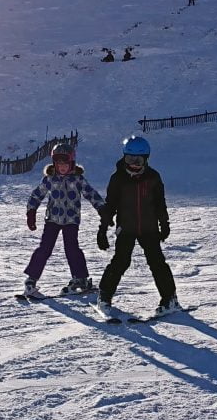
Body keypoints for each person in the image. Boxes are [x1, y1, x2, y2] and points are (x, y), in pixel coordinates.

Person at [95, 135, 179, 318]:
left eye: (138, 160)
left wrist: (164, 223)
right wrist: (102, 229)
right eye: (130, 159)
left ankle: (169, 298)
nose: (134, 163)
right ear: (124, 158)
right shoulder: (118, 179)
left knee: (157, 262)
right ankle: (104, 296)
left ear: (146, 159)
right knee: (121, 261)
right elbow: (111, 205)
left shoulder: (153, 178)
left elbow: (160, 203)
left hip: (149, 228)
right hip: (126, 228)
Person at [22, 143, 106, 299]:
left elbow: (92, 194)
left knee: (72, 249)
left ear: (71, 163)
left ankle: (80, 278)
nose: (61, 167)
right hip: (52, 220)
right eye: (58, 163)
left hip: (71, 221)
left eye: (65, 163)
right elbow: (36, 195)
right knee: (44, 249)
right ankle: (31, 279)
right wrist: (31, 212)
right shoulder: (50, 179)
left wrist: (103, 210)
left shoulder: (78, 179)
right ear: (54, 163)